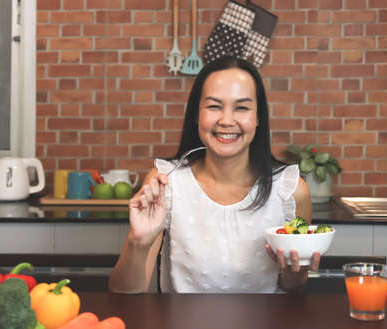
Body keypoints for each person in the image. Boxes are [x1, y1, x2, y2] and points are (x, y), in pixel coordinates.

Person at [108, 56, 320, 294]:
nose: (226, 121)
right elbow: (125, 295)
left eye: (241, 107)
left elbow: (292, 285)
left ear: (259, 117)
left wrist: (295, 272)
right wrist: (137, 241)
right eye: (213, 106)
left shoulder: (292, 191)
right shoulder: (165, 182)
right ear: (196, 115)